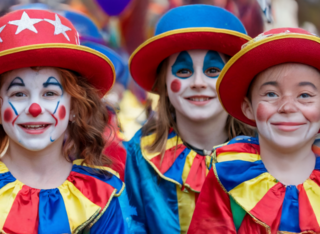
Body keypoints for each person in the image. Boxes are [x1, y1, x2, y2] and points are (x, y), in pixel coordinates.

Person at [125, 4, 255, 233]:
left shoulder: (265, 155)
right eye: (184, 71)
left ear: (236, 79)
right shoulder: (136, 158)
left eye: (213, 70)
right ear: (163, 80)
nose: (198, 82)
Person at [0, 9, 127, 233]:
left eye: (50, 93)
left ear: (74, 107)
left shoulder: (100, 194)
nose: (34, 108)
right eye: (19, 94)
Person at [188, 27, 320, 233]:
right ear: (248, 108)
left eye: (304, 95)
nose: (287, 107)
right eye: (270, 94)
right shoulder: (227, 175)